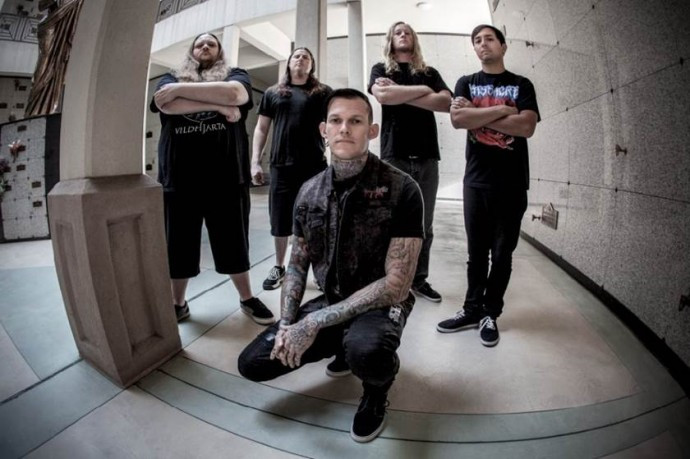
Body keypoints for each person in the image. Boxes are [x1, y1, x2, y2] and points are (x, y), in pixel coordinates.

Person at [238, 89, 424, 443]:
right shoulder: (309, 192)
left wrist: (313, 322)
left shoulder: (402, 188)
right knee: (253, 363)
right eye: (336, 121)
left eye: (356, 121)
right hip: (335, 297)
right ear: (324, 130)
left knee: (366, 352)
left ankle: (377, 386)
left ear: (372, 130)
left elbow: (397, 284)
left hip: (384, 302)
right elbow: (297, 266)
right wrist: (288, 324)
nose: (344, 129)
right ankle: (342, 340)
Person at [150, 33, 274, 325]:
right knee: (178, 246)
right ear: (191, 52)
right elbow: (165, 104)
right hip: (179, 178)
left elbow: (235, 95)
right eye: (199, 44)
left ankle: (247, 298)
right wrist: (218, 106)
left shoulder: (235, 74)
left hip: (226, 177)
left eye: (211, 44)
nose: (205, 46)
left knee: (234, 243)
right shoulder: (170, 77)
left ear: (219, 52)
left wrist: (181, 93)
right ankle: (177, 303)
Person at [436, 24, 540, 346]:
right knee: (476, 253)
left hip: (511, 184)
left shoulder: (521, 84)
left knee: (502, 253)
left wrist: (478, 113)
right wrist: (502, 110)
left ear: (503, 46)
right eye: (477, 41)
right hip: (476, 182)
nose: (483, 44)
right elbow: (458, 120)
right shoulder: (466, 83)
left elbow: (526, 126)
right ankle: (471, 309)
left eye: (489, 39)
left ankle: (490, 313)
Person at [368, 21, 452, 304]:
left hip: (427, 157)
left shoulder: (429, 73)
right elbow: (384, 96)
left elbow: (445, 103)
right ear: (391, 40)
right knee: (390, 220)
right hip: (394, 155)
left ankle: (418, 279)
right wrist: (425, 92)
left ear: (414, 39)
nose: (403, 35)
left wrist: (403, 93)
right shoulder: (381, 70)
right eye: (398, 32)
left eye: (407, 32)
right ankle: (388, 278)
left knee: (424, 225)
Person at [251, 47, 332, 291]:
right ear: (289, 62)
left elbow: (334, 120)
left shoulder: (323, 92)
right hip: (281, 166)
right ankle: (279, 266)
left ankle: (319, 269)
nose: (301, 59)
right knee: (279, 220)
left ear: (311, 65)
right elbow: (261, 128)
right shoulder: (273, 92)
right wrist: (255, 161)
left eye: (306, 57)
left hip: (314, 166)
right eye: (297, 56)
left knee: (316, 219)